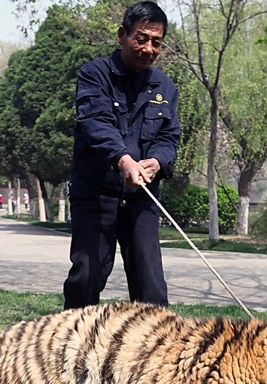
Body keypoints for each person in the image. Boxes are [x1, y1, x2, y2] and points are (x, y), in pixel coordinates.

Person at [62, 1, 181, 310]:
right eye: (141, 38)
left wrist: (156, 162)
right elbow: (95, 122)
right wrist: (124, 160)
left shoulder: (165, 87)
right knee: (86, 276)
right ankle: (70, 348)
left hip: (142, 196)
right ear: (122, 35)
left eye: (156, 42)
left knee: (151, 285)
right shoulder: (94, 74)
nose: (149, 48)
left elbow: (169, 136)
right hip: (96, 192)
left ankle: (155, 353)